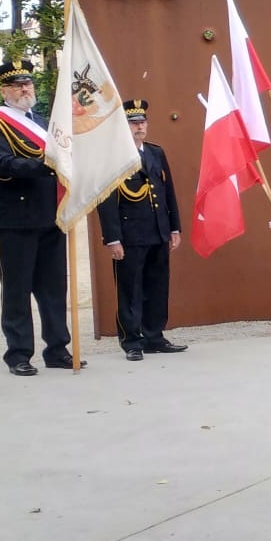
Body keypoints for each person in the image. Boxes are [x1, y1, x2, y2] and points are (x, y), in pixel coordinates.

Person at [0, 63, 76, 374]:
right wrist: (46, 164)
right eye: (16, 85)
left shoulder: (43, 123)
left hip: (50, 215)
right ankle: (19, 354)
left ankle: (57, 348)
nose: (24, 89)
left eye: (27, 84)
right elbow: (1, 165)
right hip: (16, 218)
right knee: (17, 290)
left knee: (54, 288)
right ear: (3, 90)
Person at [96, 100, 185, 362]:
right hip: (130, 234)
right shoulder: (113, 157)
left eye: (142, 122)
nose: (139, 127)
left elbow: (167, 192)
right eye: (133, 123)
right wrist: (113, 238)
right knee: (130, 290)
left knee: (157, 286)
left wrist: (174, 227)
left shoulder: (155, 153)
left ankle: (154, 336)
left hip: (158, 231)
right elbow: (106, 200)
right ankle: (132, 341)